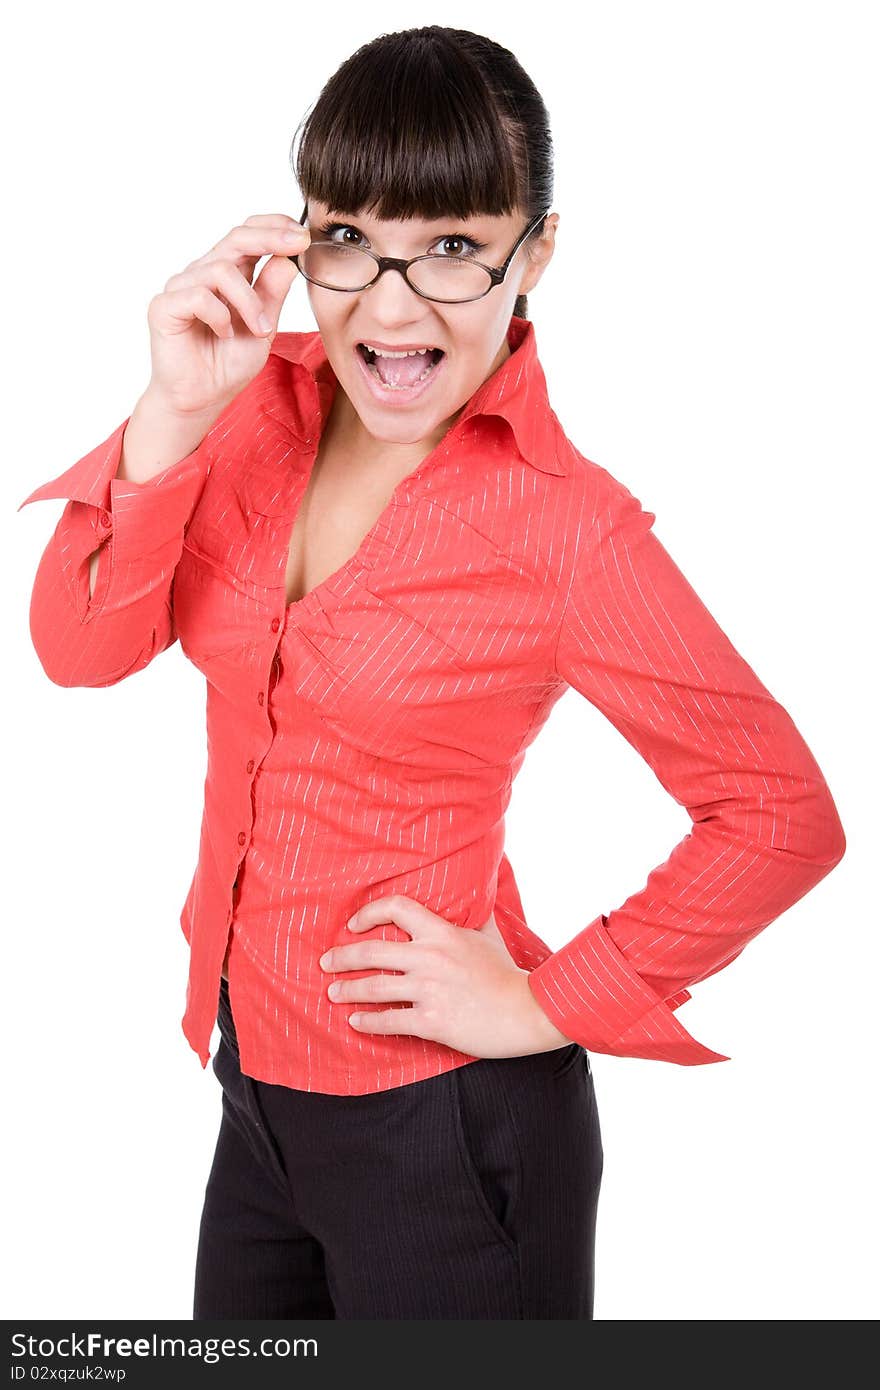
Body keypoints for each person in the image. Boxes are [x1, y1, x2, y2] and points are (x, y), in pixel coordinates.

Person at [18, 26, 846, 1321]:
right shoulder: (247, 414)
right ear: (298, 243)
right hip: (254, 1105)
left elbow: (779, 811)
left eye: (456, 247)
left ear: (538, 255)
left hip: (451, 1135)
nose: (391, 307)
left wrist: (544, 1000)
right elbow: (82, 649)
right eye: (348, 238)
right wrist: (169, 412)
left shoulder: (568, 527)